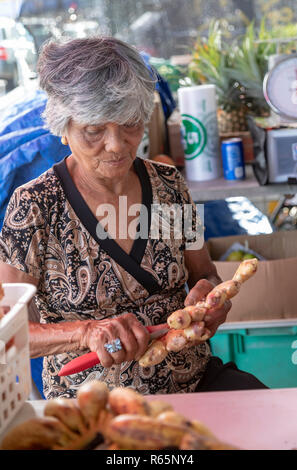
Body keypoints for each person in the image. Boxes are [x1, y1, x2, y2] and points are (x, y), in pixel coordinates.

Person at [0, 37, 267, 399]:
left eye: (129, 123)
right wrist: (85, 332)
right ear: (64, 128)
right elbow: (8, 331)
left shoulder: (168, 186)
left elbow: (203, 274)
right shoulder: (35, 205)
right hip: (93, 403)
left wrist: (209, 297)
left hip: (191, 384)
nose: (117, 144)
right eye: (94, 130)